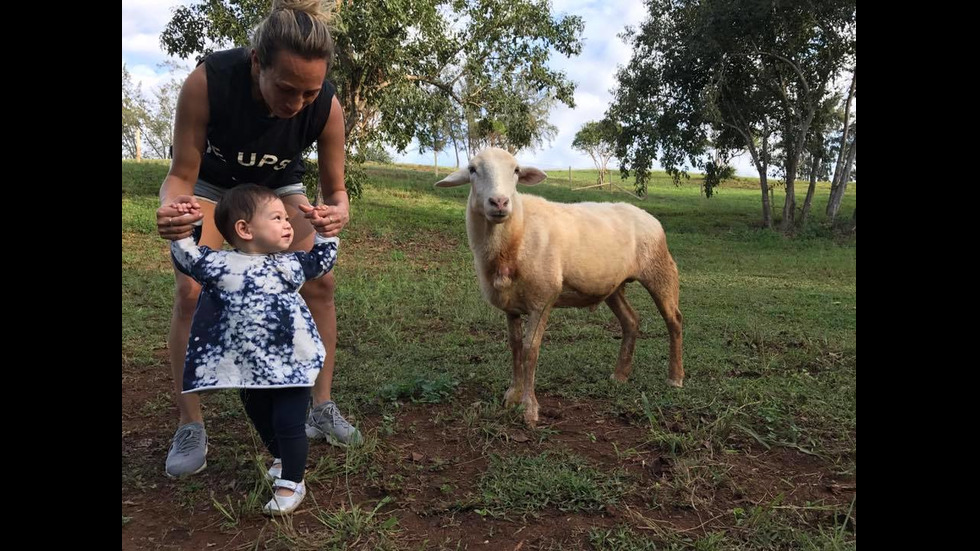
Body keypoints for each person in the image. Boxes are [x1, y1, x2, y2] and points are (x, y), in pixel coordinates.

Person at [155, 0, 361, 479]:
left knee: (320, 283)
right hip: (209, 185)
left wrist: (337, 214)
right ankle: (191, 423)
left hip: (276, 188)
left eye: (307, 94)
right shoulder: (210, 81)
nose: (296, 105)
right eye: (286, 89)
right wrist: (172, 209)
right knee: (190, 288)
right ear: (256, 62)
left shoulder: (327, 106)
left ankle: (320, 406)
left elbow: (336, 190)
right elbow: (180, 175)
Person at [169, 185, 336, 514]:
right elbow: (187, 256)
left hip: (293, 363)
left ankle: (292, 480)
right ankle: (280, 456)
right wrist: (186, 227)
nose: (287, 224)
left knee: (288, 421)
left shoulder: (288, 265)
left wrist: (325, 231)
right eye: (277, 218)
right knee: (261, 417)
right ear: (244, 229)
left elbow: (321, 260)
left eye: (287, 218)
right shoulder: (219, 264)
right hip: (247, 368)